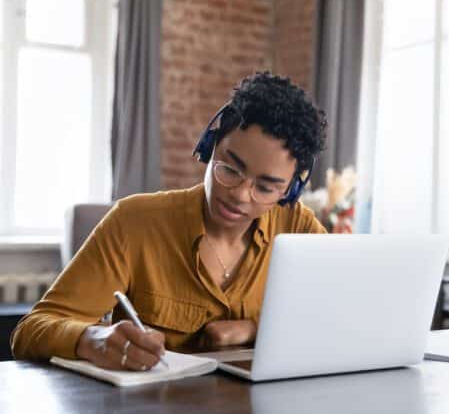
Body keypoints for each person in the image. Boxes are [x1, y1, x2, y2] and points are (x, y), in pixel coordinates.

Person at [11, 71, 327, 371]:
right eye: (230, 169)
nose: (241, 195)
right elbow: (30, 331)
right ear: (209, 146)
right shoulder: (134, 222)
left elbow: (336, 319)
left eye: (266, 187)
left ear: (291, 189)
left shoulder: (299, 229)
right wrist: (94, 339)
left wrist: (254, 328)